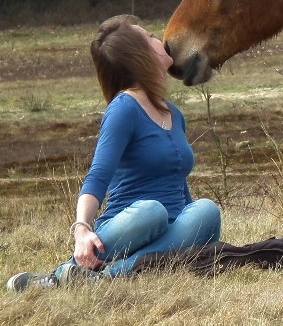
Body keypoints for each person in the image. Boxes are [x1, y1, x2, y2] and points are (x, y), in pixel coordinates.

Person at [6, 15, 221, 292]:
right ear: (139, 55)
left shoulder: (174, 114)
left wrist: (196, 226)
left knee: (206, 209)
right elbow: (98, 176)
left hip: (173, 232)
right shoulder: (124, 108)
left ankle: (109, 276)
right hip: (133, 225)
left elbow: (178, 182)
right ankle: (59, 276)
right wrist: (82, 227)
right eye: (151, 37)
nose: (161, 41)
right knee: (152, 211)